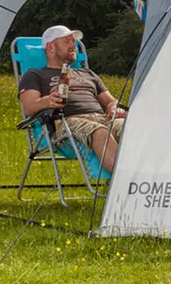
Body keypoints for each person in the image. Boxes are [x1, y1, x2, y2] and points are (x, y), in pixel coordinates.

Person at [18, 25, 127, 174]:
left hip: (102, 118)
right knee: (100, 132)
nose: (73, 45)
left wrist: (113, 107)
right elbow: (29, 107)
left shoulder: (87, 73)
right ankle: (125, 182)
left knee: (130, 128)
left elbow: (110, 101)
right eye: (67, 41)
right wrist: (47, 101)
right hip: (67, 122)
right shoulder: (35, 75)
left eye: (73, 41)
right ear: (50, 47)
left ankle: (154, 176)